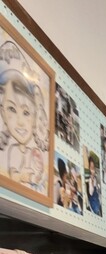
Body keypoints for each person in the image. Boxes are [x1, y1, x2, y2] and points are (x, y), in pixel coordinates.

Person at [0, 42, 45, 191]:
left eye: (26, 113)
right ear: (3, 112)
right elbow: (14, 177)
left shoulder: (33, 152)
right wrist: (26, 177)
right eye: (12, 109)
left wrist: (35, 177)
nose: (20, 122)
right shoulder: (13, 151)